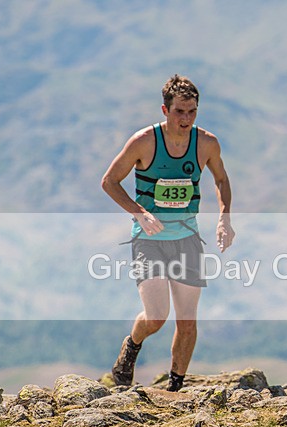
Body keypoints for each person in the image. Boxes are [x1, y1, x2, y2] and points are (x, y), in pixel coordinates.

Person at [101, 74, 234, 392]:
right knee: (157, 317)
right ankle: (131, 347)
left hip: (187, 238)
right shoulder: (144, 141)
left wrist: (224, 218)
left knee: (187, 320)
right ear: (165, 110)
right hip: (149, 240)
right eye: (179, 112)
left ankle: (175, 384)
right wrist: (139, 212)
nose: (186, 119)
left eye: (192, 112)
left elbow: (221, 180)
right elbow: (109, 181)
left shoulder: (207, 143)